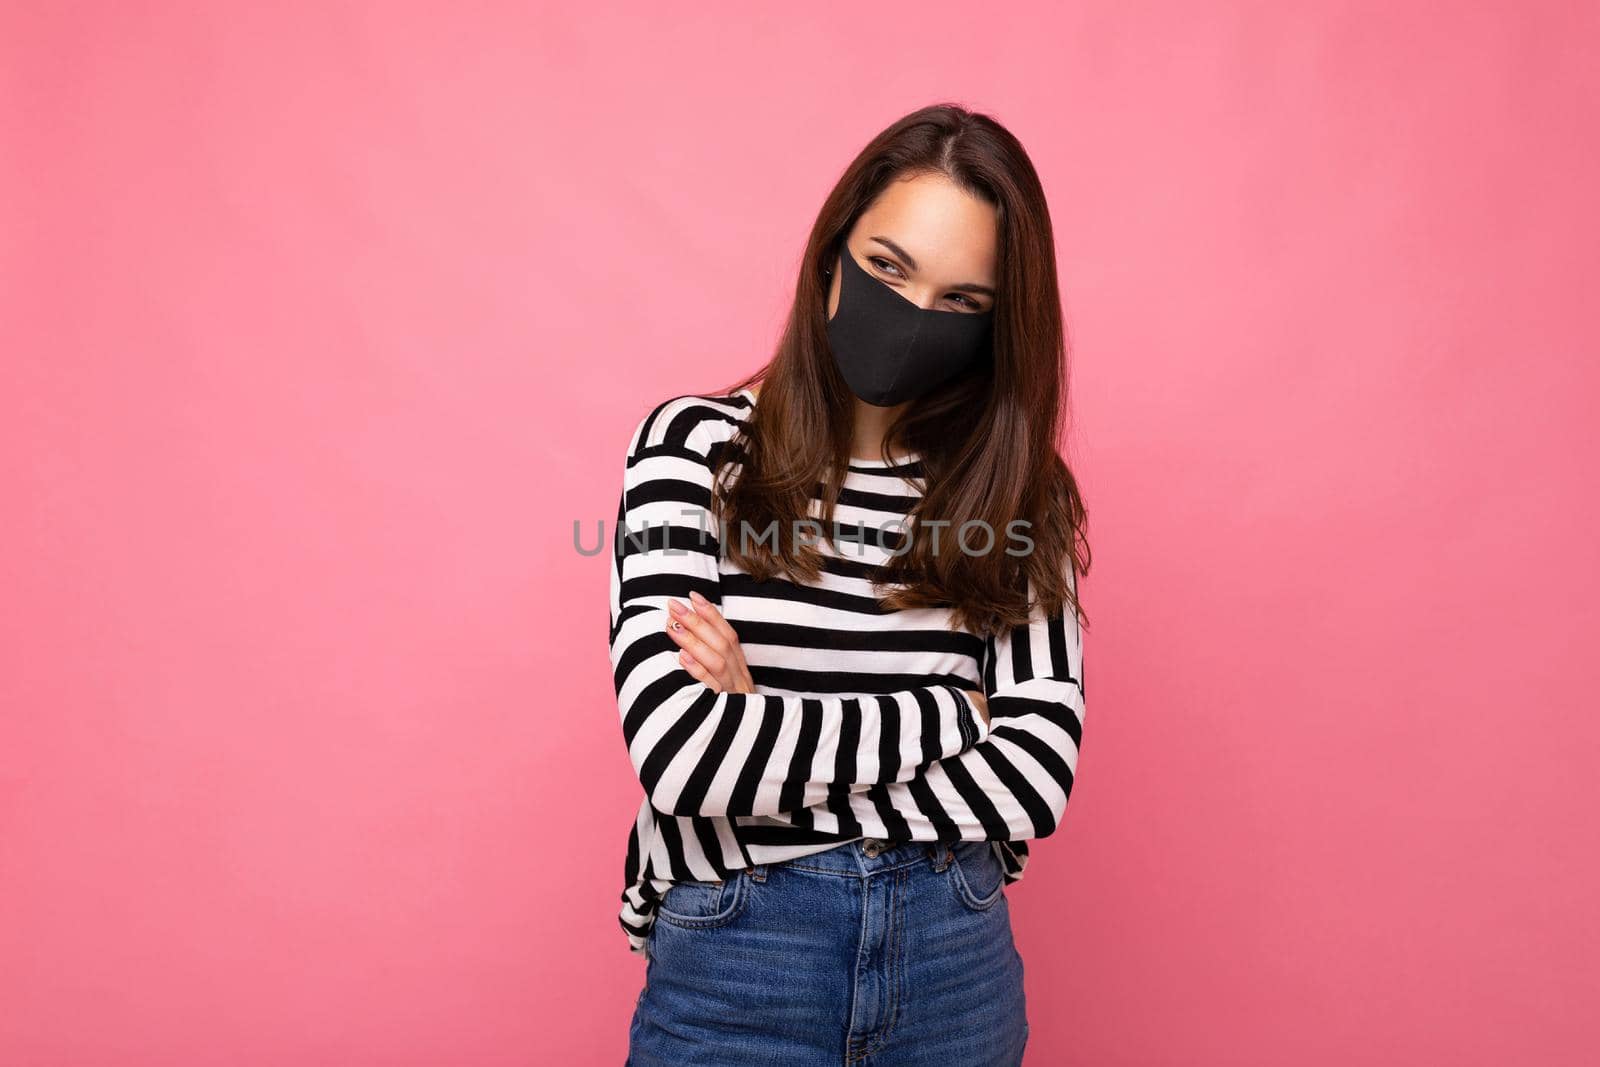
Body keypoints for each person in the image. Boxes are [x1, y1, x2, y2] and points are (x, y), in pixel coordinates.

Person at [609, 102, 1090, 1066]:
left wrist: (765, 722)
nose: (914, 316)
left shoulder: (1017, 490)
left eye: (962, 301)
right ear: (833, 252)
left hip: (953, 960)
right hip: (741, 959)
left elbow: (1036, 777)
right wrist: (953, 715)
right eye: (889, 267)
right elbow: (679, 754)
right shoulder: (693, 449)